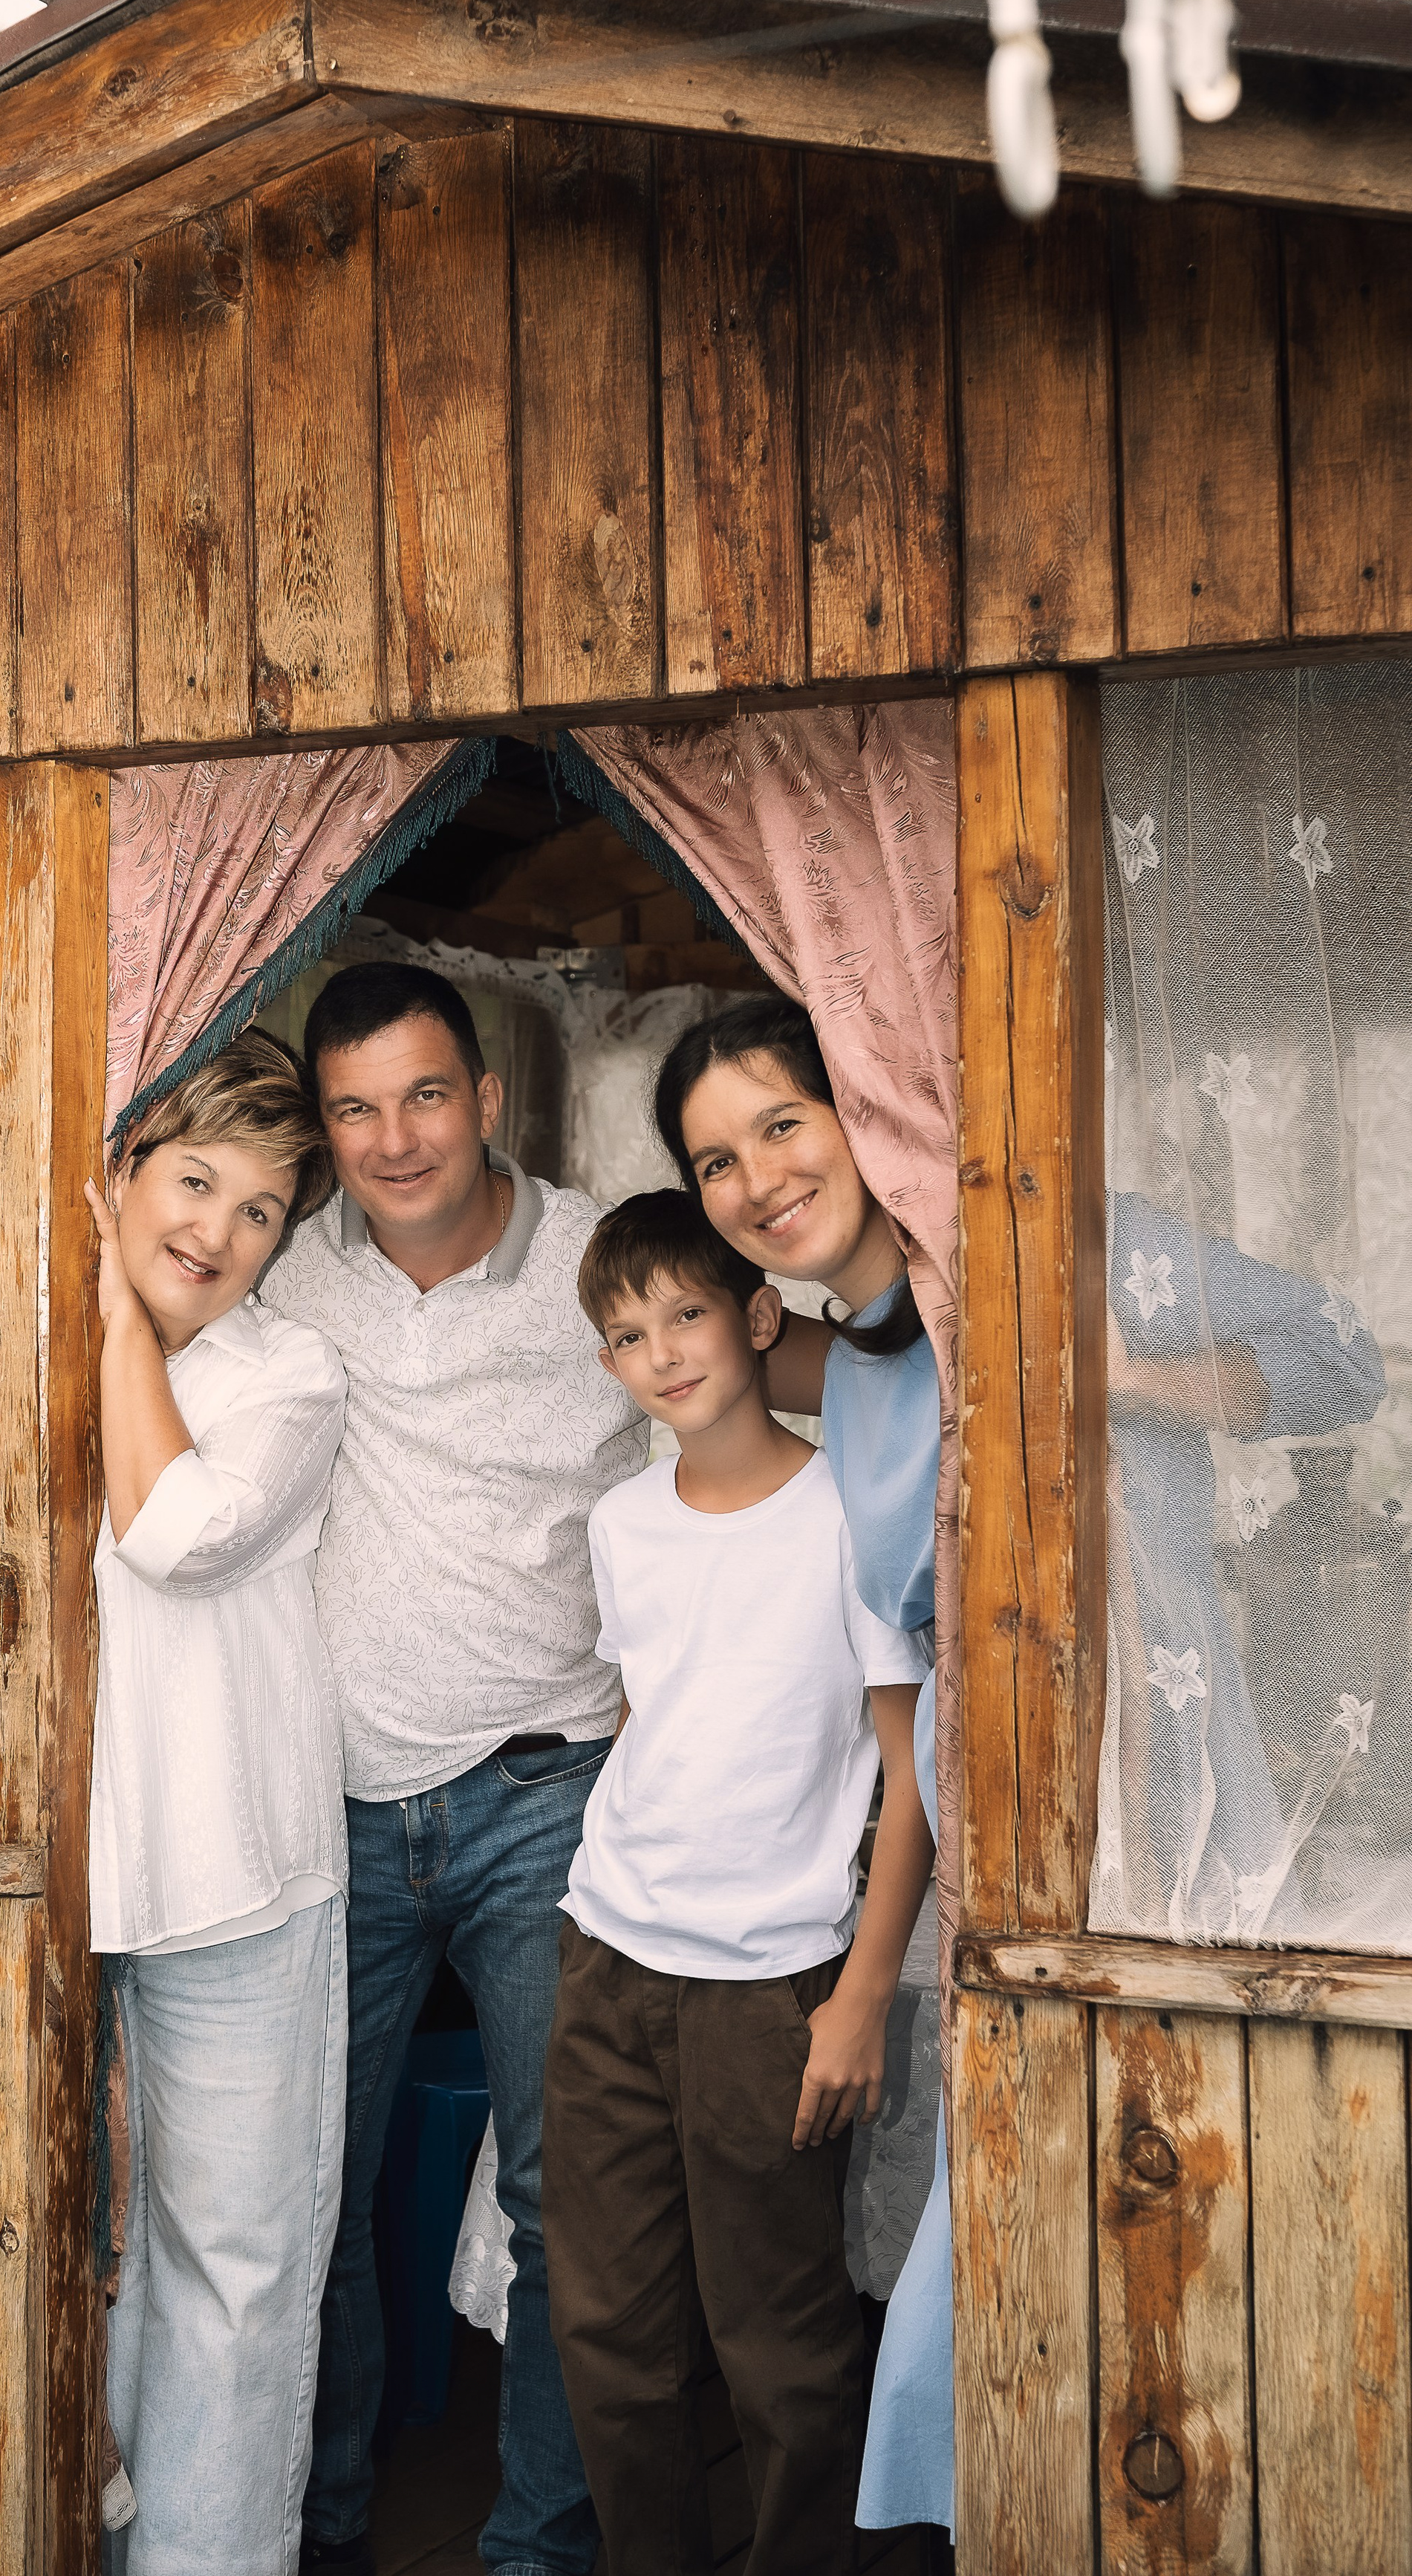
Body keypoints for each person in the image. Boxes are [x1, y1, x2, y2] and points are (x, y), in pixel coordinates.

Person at [261, 960, 645, 2576]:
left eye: (424, 1093)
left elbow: (763, 1382)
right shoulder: (283, 1279)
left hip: (544, 1789)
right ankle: (325, 2526)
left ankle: (533, 2550)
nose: (394, 1137)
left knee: (571, 2204)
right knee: (308, 2193)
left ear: (485, 1094)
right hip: (331, 1801)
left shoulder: (599, 1261)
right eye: (354, 1107)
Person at [541, 1188, 934, 2576]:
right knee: (605, 2331)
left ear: (760, 1317)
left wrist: (862, 1996)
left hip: (773, 1986)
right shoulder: (622, 1523)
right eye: (627, 1333)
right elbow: (660, 1716)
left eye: (688, 1313)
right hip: (608, 1956)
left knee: (779, 2344)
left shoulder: (854, 1511)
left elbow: (912, 1777)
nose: (661, 1352)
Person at [651, 993, 952, 2549]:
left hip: (1150, 1819)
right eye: (715, 1159)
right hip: (979, 1855)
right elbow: (905, 1706)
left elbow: (1323, 1361)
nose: (756, 1176)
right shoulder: (867, 1365)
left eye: (781, 1122)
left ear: (867, 1104)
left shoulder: (1000, 1284)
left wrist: (1072, 1378)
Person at [84, 1030, 348, 2576]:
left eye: (259, 1211)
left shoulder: (289, 1374)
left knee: (232, 2268)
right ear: (122, 1171)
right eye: (193, 1179)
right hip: (56, 1880)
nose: (218, 1231)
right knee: (63, 2253)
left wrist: (122, 1317)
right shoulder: (23, 1328)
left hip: (237, 1877)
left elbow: (175, 1533)